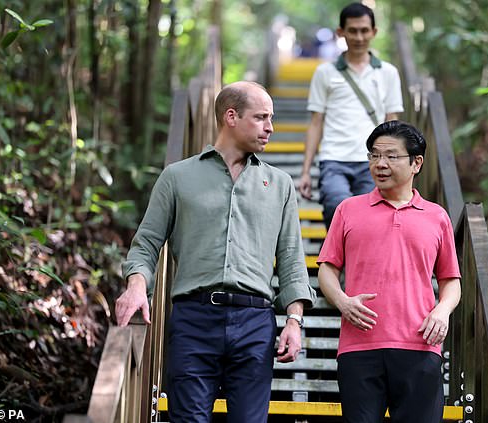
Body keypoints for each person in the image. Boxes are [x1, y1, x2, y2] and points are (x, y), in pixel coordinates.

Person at [114, 81, 316, 423]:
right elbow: (146, 243)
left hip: (256, 323)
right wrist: (136, 286)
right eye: (262, 117)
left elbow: (293, 260)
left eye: (272, 118)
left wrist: (294, 321)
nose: (270, 127)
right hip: (194, 319)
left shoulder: (280, 184)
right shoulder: (177, 177)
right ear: (231, 117)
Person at [317, 120, 462, 423]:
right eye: (374, 156)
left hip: (420, 343)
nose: (380, 164)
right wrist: (343, 302)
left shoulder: (437, 216)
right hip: (359, 346)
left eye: (391, 156)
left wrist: (442, 311)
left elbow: (451, 281)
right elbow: (327, 270)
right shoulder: (348, 209)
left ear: (416, 163)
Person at [299, 2, 404, 229]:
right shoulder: (324, 73)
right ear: (341, 32)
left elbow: (392, 122)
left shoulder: (388, 72)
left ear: (374, 32)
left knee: (370, 219)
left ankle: (354, 264)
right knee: (335, 205)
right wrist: (306, 171)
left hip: (373, 159)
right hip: (333, 158)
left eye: (364, 30)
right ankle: (337, 261)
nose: (359, 37)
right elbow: (316, 123)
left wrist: (396, 164)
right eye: (353, 30)